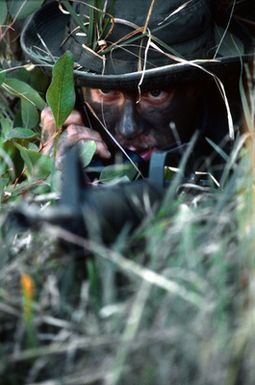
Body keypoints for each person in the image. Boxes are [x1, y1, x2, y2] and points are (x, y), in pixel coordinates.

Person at [21, 0, 254, 179]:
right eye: (106, 92)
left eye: (155, 93)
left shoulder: (241, 149)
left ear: (196, 87)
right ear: (79, 92)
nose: (128, 128)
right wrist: (47, 175)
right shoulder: (75, 135)